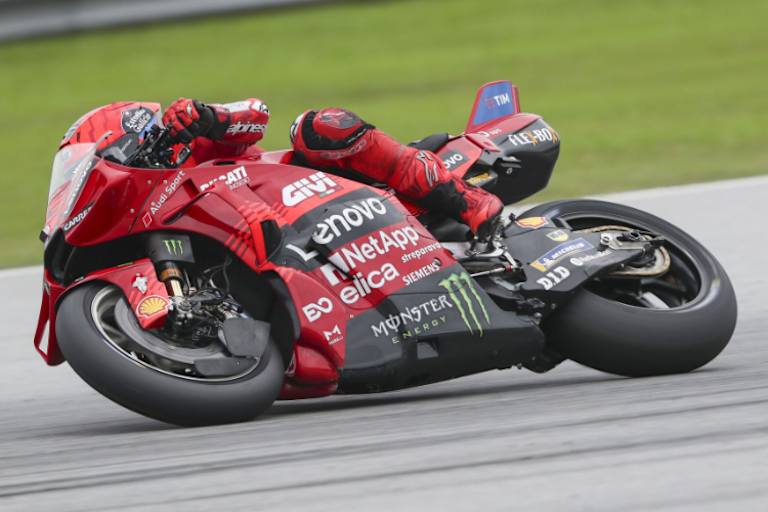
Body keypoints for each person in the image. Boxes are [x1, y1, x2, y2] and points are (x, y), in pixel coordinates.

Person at [162, 98, 503, 239]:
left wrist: (208, 117)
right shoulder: (148, 217)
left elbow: (256, 114)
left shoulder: (183, 145)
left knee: (321, 127)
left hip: (306, 194)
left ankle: (471, 202)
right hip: (287, 247)